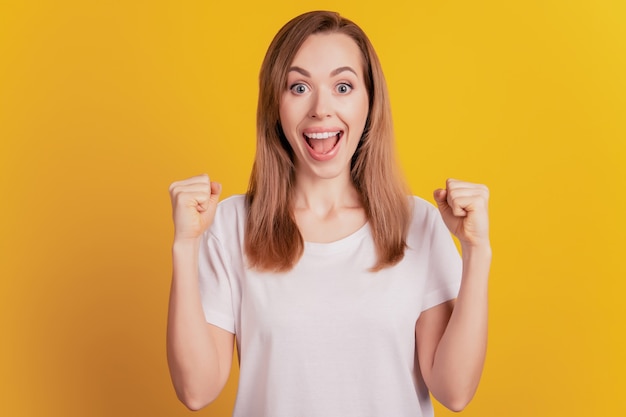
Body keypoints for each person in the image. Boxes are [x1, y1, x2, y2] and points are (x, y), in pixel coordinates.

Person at [167, 10, 491, 417]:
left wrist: (477, 252)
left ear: (369, 102)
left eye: (342, 86)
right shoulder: (231, 226)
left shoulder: (419, 224)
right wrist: (184, 245)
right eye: (299, 86)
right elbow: (196, 391)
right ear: (275, 105)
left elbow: (455, 391)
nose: (322, 109)